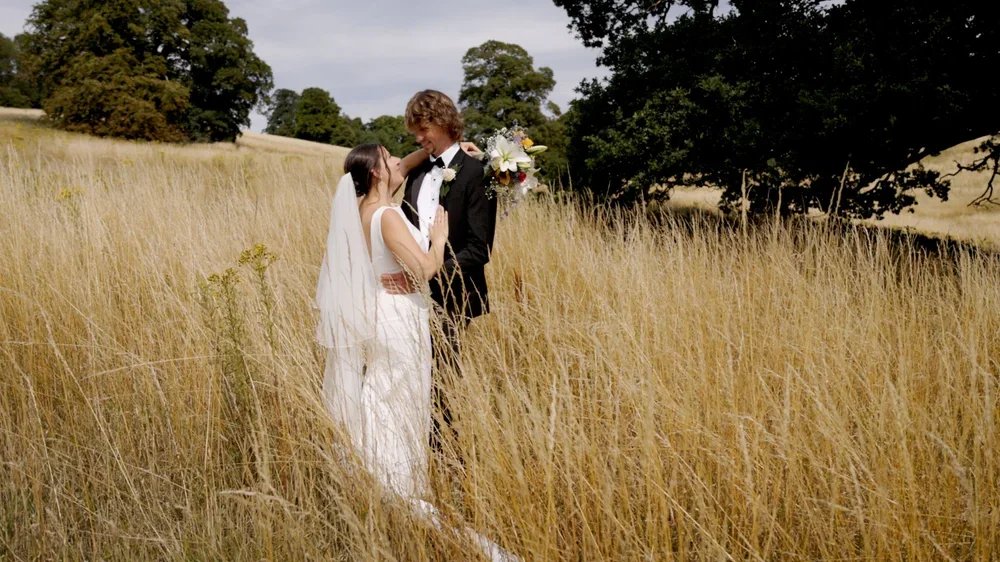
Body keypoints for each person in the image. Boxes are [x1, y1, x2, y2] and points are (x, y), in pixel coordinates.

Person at [315, 144, 518, 561]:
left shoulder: (358, 209)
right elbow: (424, 270)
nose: (399, 164)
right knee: (403, 400)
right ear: (375, 172)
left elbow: (401, 167)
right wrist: (439, 239)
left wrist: (440, 147)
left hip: (379, 315)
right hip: (400, 321)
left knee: (381, 394)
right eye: (390, 160)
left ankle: (373, 471)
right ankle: (396, 484)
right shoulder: (388, 215)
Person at [382, 89, 497, 453]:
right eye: (415, 129)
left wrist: (430, 273)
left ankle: (446, 458)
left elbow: (479, 249)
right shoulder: (417, 172)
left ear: (444, 122)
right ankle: (410, 451)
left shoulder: (477, 173)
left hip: (452, 297)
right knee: (410, 378)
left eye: (423, 128)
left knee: (441, 383)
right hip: (408, 295)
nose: (418, 136)